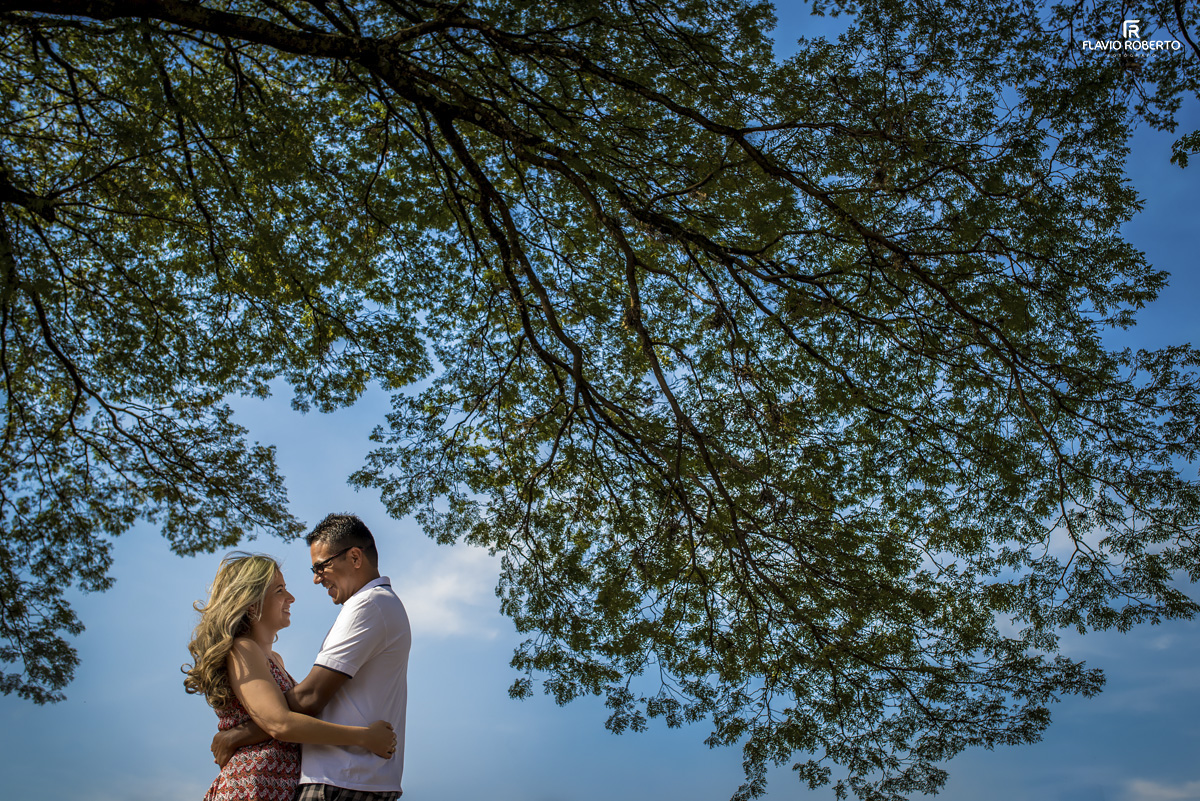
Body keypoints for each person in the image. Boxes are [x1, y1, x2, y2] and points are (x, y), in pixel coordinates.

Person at [212, 514, 412, 801]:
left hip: (343, 779)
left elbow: (309, 698)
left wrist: (237, 735)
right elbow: (284, 717)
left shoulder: (369, 605)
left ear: (355, 557)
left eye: (321, 566)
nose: (316, 579)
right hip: (313, 779)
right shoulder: (374, 606)